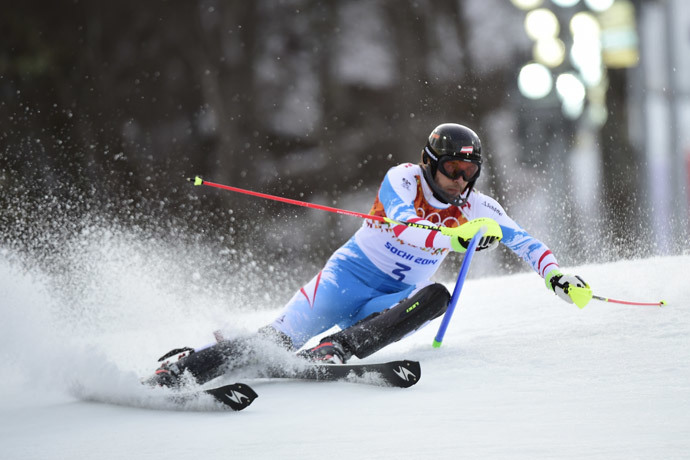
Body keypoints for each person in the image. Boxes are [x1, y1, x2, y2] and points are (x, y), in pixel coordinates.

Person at [149, 123, 589, 387]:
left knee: (437, 296)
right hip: (347, 279)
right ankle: (181, 371)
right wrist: (454, 239)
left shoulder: (478, 207)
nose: (460, 181)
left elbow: (526, 242)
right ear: (429, 163)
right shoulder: (401, 180)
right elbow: (404, 226)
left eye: (469, 172)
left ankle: (335, 349)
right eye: (453, 169)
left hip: (390, 300)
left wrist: (556, 277)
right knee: (272, 345)